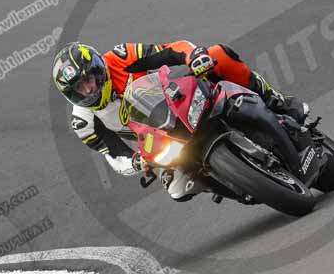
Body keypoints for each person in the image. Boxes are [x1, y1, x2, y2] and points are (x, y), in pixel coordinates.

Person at [52, 41, 307, 198]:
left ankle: (277, 102)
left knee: (218, 55)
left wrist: (193, 56)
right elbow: (114, 155)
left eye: (88, 79)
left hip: (176, 103)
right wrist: (137, 162)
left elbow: (170, 50)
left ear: (98, 68)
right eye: (79, 89)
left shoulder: (119, 57)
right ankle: (230, 182)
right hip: (158, 142)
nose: (88, 90)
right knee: (177, 189)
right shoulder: (84, 123)